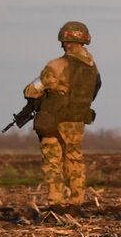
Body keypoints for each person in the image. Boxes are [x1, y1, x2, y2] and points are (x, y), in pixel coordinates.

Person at [24, 21, 101, 209]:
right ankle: (77, 202)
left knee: (52, 160)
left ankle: (55, 203)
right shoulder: (93, 69)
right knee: (74, 158)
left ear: (64, 40)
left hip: (55, 121)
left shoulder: (58, 65)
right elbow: (95, 89)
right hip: (77, 121)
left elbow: (31, 90)